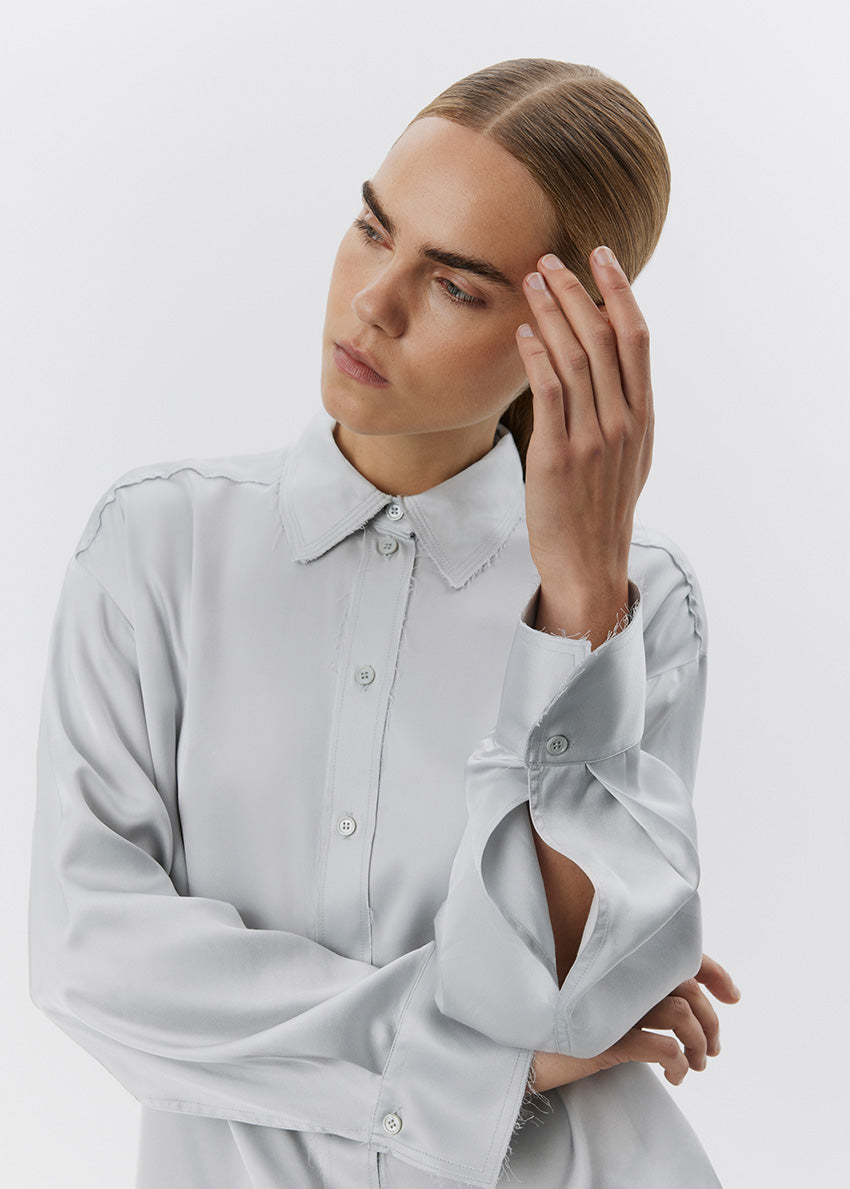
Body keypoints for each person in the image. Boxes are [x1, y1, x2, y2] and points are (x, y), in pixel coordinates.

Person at [28, 58, 739, 1187]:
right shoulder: (153, 544)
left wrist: (577, 605)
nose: (374, 303)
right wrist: (486, 1052)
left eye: (455, 285)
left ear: (569, 339)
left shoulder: (638, 608)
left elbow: (578, 997)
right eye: (371, 228)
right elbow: (90, 957)